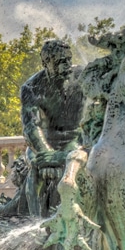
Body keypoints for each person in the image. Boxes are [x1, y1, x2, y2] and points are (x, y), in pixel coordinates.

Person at [19, 39, 85, 217]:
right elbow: (31, 126)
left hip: (73, 140)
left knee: (73, 160)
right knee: (35, 171)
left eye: (68, 60)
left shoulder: (82, 75)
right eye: (59, 62)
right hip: (45, 141)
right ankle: (35, 224)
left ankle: (75, 215)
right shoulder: (32, 87)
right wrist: (46, 153)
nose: (66, 67)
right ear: (45, 63)